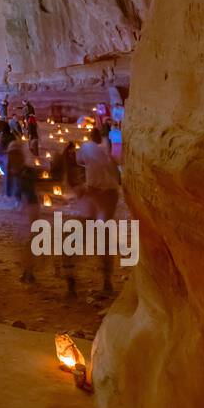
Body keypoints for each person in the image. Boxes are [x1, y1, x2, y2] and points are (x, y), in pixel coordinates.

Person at [78, 127, 121, 296]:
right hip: (109, 194)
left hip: (98, 193)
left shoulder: (86, 148)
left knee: (99, 233)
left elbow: (79, 160)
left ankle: (105, 278)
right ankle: (106, 278)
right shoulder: (106, 151)